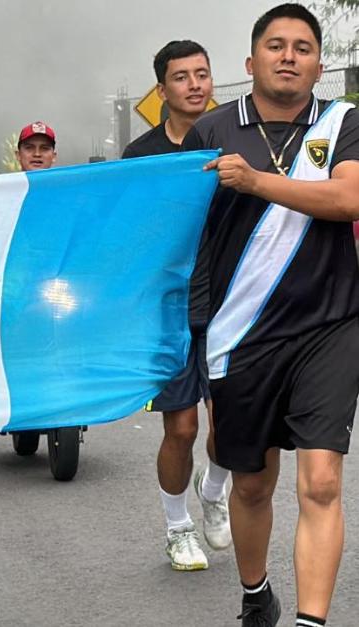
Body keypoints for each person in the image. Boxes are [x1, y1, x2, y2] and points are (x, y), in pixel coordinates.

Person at [185, 5, 359, 625]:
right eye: (277, 45)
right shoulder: (210, 132)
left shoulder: (344, 124)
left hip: (330, 326)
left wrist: (257, 183)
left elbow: (348, 197)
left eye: (304, 47)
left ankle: (312, 621)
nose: (289, 55)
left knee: (320, 483)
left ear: (318, 65)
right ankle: (257, 595)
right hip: (240, 335)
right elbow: (179, 237)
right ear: (251, 62)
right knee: (253, 484)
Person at [122, 40, 232, 572]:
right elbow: (124, 236)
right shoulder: (140, 157)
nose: (194, 84)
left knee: (232, 426)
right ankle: (177, 527)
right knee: (182, 429)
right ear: (161, 90)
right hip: (166, 312)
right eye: (181, 77)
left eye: (202, 74)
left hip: (232, 303)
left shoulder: (239, 143)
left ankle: (213, 493)